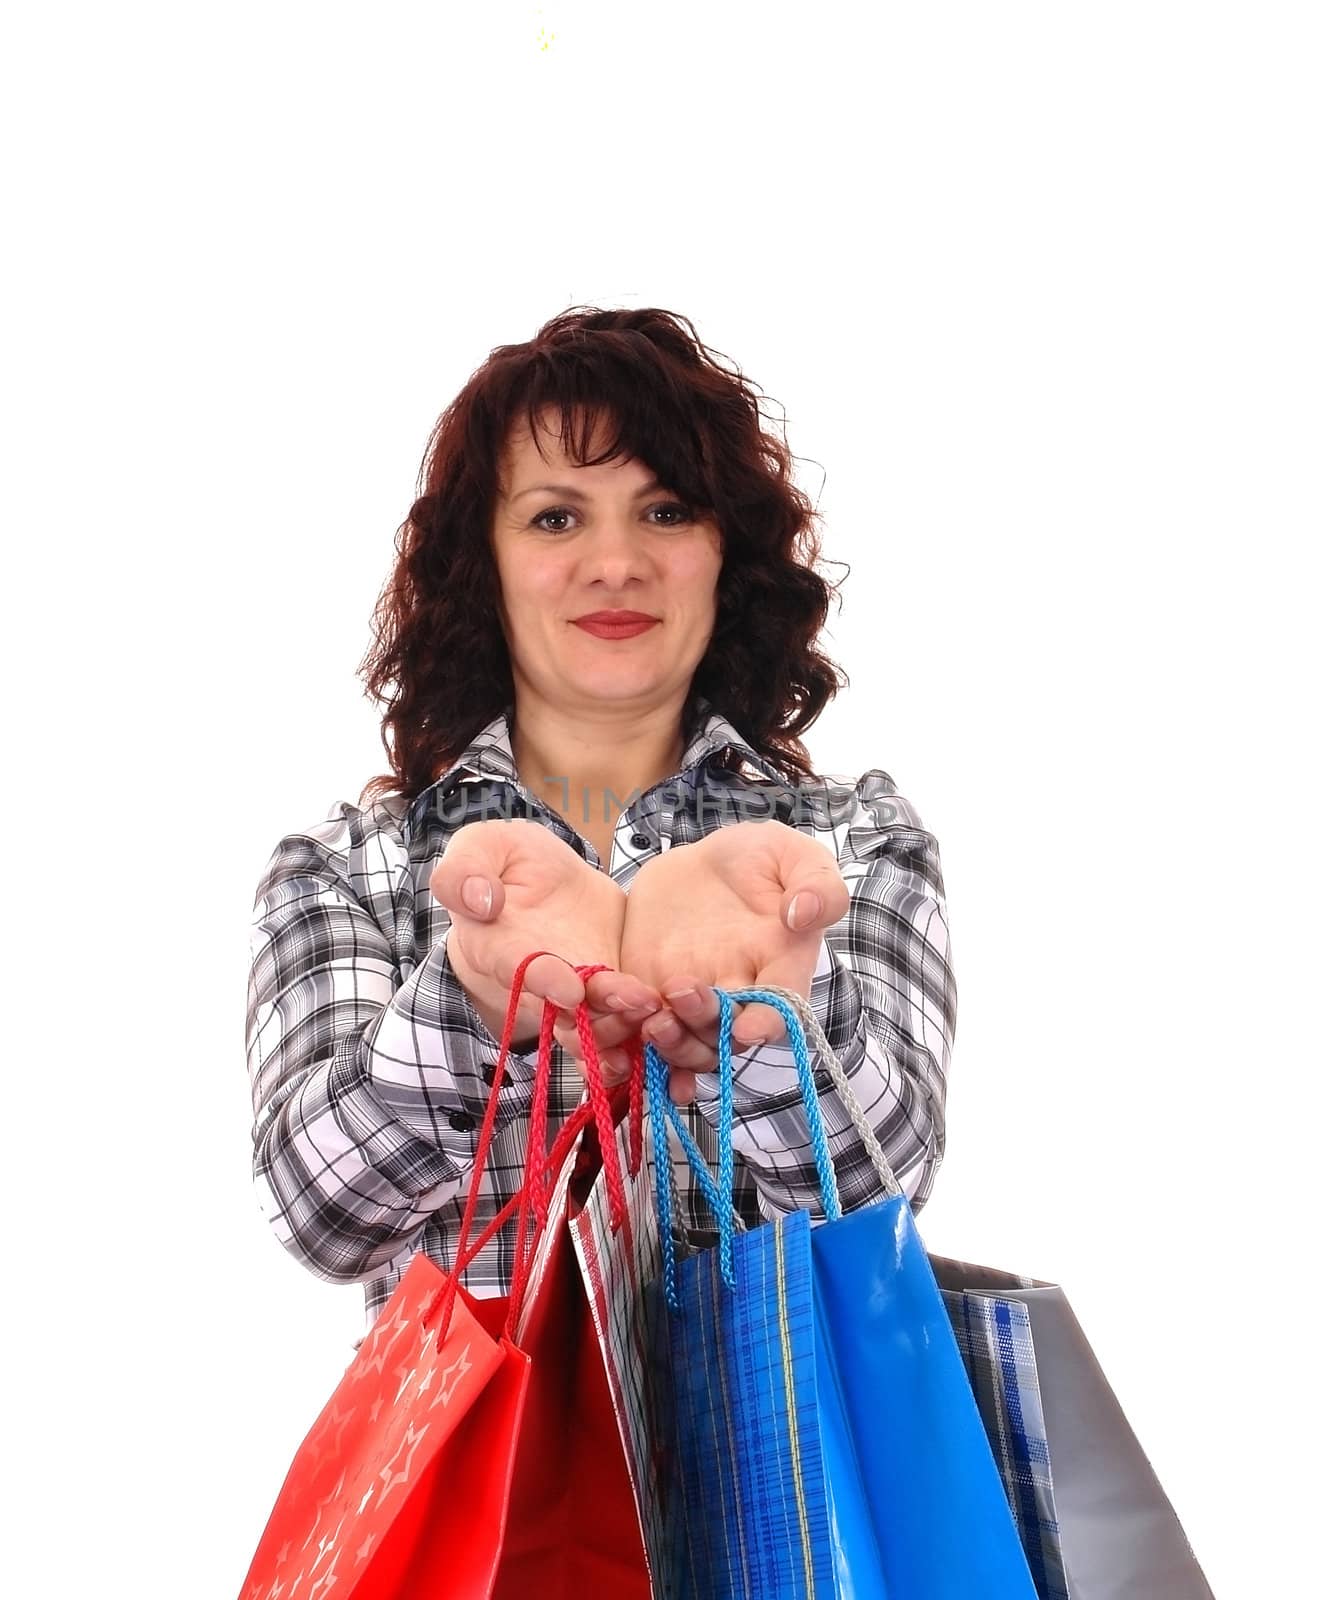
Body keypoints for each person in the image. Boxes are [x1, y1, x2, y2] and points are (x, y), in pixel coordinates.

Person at [244, 305, 957, 1342]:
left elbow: (885, 1198)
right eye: (555, 517)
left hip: (780, 1486)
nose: (616, 562)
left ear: (727, 553)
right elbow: (318, 1214)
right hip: (487, 1501)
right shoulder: (351, 867)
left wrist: (772, 1022)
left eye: (665, 510)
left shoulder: (849, 847)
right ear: (481, 564)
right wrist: (472, 1005)